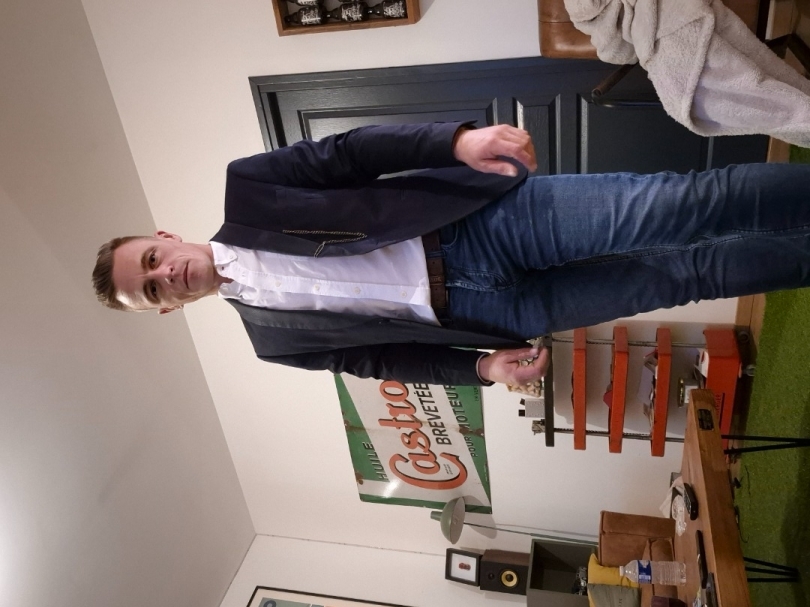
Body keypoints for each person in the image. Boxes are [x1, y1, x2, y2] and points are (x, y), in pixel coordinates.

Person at [93, 121, 810, 387]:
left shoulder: (249, 189)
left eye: (151, 261)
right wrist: (480, 367)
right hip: (488, 311)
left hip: (482, 224)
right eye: (152, 290)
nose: (166, 275)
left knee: (686, 203)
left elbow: (350, 152)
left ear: (164, 237)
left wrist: (455, 142)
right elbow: (382, 361)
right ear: (167, 310)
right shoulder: (272, 343)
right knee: (684, 276)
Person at [564, 0, 810, 147]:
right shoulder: (578, 8)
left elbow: (616, 50)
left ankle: (802, 119)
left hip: (676, 12)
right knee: (701, 94)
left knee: (711, 85)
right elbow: (614, 48)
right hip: (656, 33)